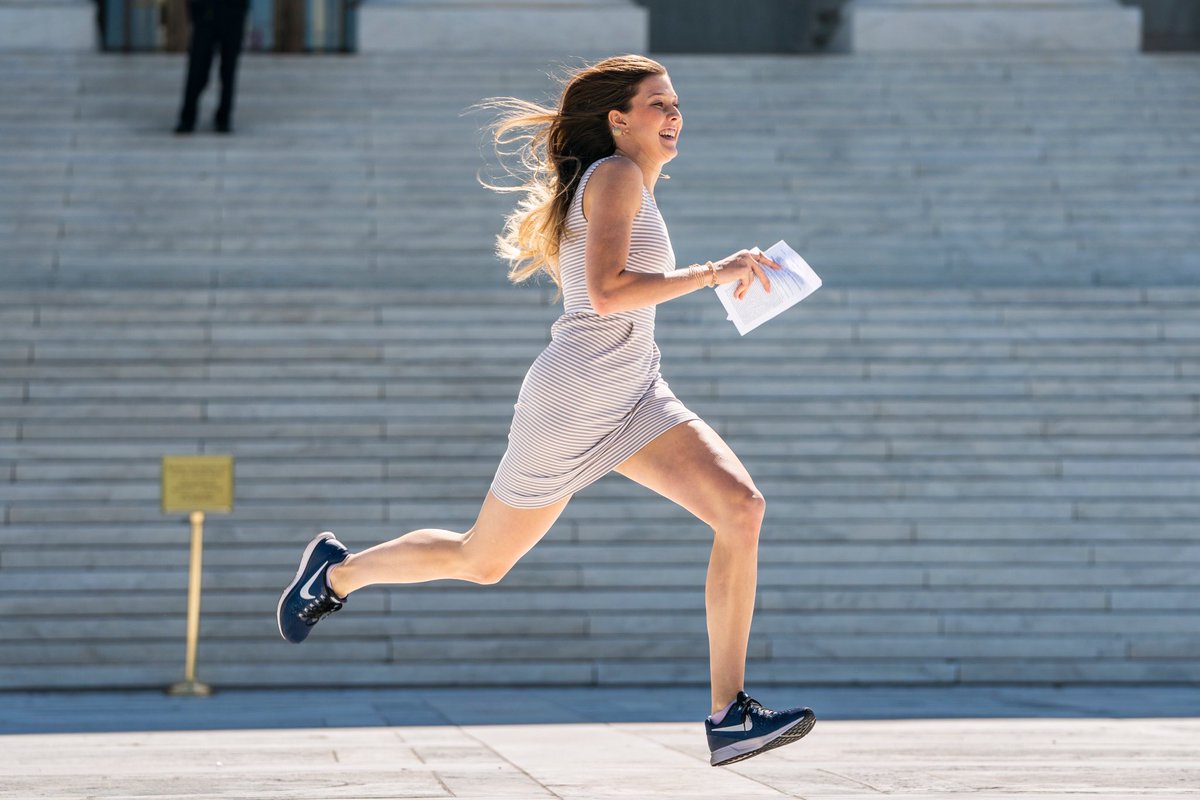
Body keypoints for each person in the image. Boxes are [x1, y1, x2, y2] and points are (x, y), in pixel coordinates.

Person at [276, 54, 816, 768]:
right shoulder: (616, 176)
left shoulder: (629, 182)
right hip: (575, 398)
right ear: (618, 120)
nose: (675, 115)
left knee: (741, 508)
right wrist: (715, 272)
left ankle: (729, 714)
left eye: (677, 103)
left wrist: (718, 271)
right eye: (659, 104)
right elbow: (607, 293)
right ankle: (337, 574)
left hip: (635, 388)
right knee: (483, 559)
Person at [174, 0, 250, 134]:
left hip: (232, 13)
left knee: (228, 70)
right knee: (198, 69)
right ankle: (188, 117)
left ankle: (223, 118)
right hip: (206, 12)